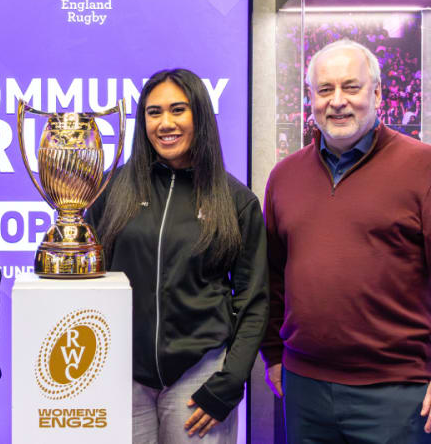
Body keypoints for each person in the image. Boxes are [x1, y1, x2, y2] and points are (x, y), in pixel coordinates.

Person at [261, 38, 431, 443]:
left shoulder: (423, 167)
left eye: (350, 87)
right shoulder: (284, 176)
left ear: (376, 93)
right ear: (310, 99)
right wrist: (272, 354)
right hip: (304, 387)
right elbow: (271, 277)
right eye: (324, 90)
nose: (337, 101)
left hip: (397, 392)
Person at [86, 68, 268, 443]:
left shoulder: (235, 201)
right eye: (154, 113)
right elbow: (88, 277)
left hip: (199, 376)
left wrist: (230, 382)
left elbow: (252, 302)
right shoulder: (112, 188)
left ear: (198, 115)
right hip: (122, 374)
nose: (165, 123)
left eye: (177, 110)